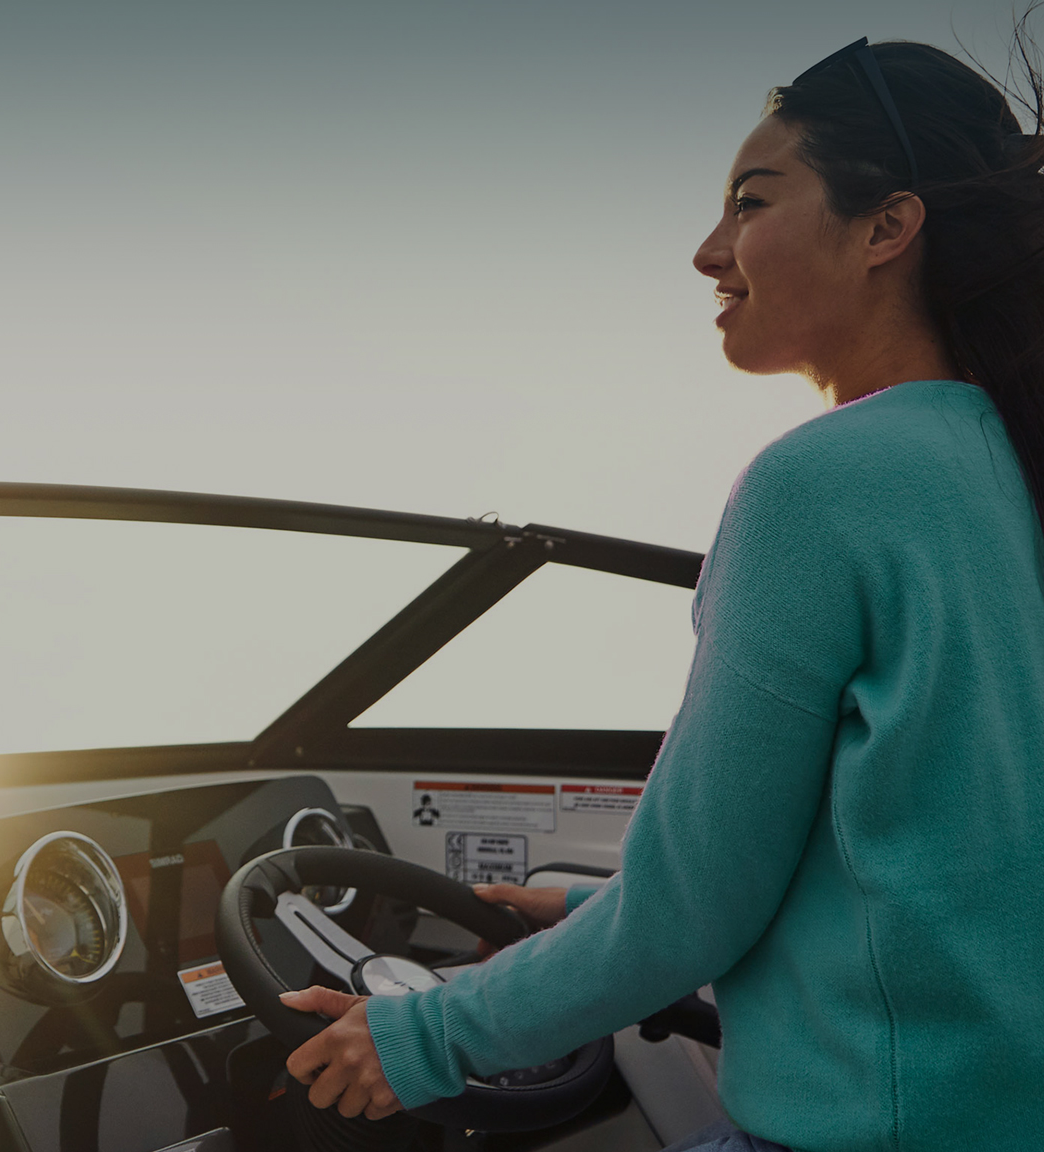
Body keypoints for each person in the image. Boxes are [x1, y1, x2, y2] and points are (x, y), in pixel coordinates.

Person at [271, 36, 1044, 1152]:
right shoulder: (1007, 463)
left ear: (888, 228)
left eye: (749, 201)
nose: (706, 250)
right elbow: (938, 868)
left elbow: (690, 908)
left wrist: (416, 1039)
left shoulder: (821, 483)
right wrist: (587, 913)